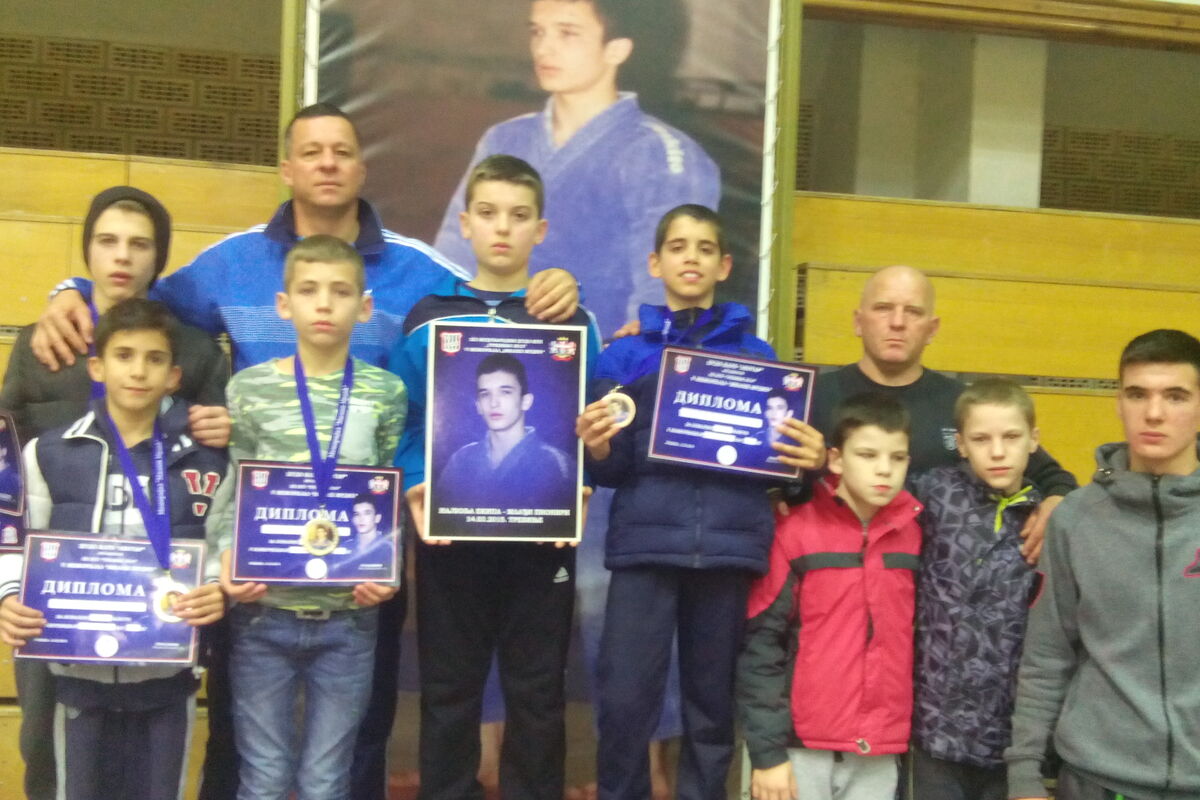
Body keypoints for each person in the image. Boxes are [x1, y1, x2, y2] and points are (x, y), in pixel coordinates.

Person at [30, 103, 579, 800]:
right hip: (259, 578)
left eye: (341, 151)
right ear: (287, 168)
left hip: (357, 573)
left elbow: (487, 304)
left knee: (354, 741)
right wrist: (73, 291)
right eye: (312, 151)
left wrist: (554, 285)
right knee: (243, 746)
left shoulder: (418, 269)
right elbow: (142, 304)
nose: (327, 163)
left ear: (361, 168)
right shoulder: (230, 261)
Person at [575, 204, 824, 800]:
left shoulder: (760, 359)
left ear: (724, 265)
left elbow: (783, 473)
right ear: (655, 263)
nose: (692, 258)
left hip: (728, 552)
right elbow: (609, 469)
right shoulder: (623, 357)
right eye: (679, 247)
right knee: (625, 701)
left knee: (711, 710)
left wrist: (807, 463)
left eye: (705, 248)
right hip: (644, 548)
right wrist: (596, 447)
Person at [0, 185, 229, 800]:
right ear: (87, 252)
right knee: (46, 744)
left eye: (139, 245)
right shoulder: (43, 345)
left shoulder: (195, 352)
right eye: (107, 242)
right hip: (59, 603)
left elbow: (218, 479)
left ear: (159, 259)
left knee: (151, 760)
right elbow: (7, 476)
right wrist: (7, 590)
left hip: (158, 607)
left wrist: (229, 428)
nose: (122, 256)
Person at [389, 154, 599, 800]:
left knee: (537, 694)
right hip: (452, 540)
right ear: (465, 223)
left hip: (542, 543)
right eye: (487, 213)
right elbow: (405, 419)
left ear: (541, 229)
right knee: (448, 690)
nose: (502, 227)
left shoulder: (571, 321)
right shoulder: (429, 317)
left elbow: (590, 420)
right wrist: (417, 481)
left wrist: (581, 480)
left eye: (518, 215)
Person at [206, 234, 405, 800]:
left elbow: (385, 494)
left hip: (349, 617)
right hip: (262, 612)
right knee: (264, 777)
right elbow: (233, 490)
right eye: (309, 290)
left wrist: (386, 566)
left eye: (340, 291)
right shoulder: (249, 389)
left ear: (364, 307)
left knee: (325, 780)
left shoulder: (386, 392)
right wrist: (225, 559)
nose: (324, 303)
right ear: (283, 303)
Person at [434, 0, 719, 339]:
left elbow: (667, 287)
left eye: (567, 33)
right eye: (537, 32)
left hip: (604, 355)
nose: (544, 48)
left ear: (616, 49)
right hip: (492, 346)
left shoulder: (662, 154)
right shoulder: (505, 138)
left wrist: (631, 356)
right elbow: (453, 255)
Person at [1005, 329, 1200, 800]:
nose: (1154, 413)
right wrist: (1024, 773)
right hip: (1097, 779)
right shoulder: (1076, 519)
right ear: (1118, 403)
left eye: (1175, 396)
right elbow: (1046, 657)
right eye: (1137, 394)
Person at [807, 265, 1077, 564]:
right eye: (883, 308)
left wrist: (1056, 504)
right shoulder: (812, 397)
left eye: (913, 312)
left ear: (932, 329)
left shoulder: (963, 404)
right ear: (858, 322)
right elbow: (781, 488)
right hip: (836, 572)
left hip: (946, 579)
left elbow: (1053, 477)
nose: (897, 322)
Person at [738, 393, 921, 800]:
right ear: (835, 460)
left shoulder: (916, 533)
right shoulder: (794, 532)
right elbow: (760, 647)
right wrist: (767, 754)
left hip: (880, 748)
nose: (884, 469)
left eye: (897, 458)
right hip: (798, 750)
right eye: (868, 455)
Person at [908, 378, 1042, 800]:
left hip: (1010, 735)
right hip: (934, 726)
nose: (997, 452)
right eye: (981, 439)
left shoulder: (1049, 518)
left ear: (1034, 440)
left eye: (1011, 437)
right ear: (961, 444)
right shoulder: (933, 492)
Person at [436, 353, 573, 509]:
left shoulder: (556, 463)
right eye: (485, 394)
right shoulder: (460, 460)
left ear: (526, 401)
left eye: (505, 392)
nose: (494, 403)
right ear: (478, 406)